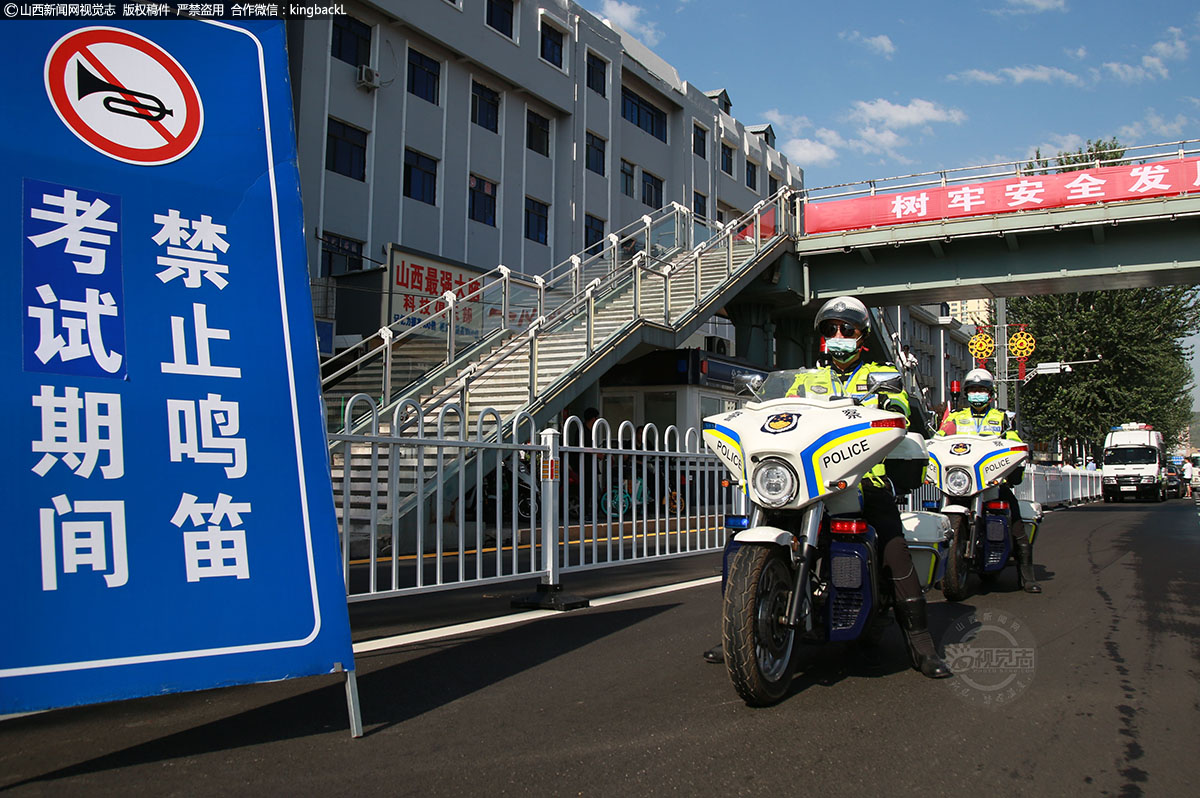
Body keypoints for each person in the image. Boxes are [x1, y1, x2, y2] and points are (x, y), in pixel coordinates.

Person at [702, 296, 951, 679]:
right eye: (830, 330)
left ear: (862, 336)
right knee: (748, 535)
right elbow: (778, 407)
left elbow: (899, 410)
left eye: (846, 330)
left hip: (864, 480)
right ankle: (740, 630)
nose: (838, 336)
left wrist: (887, 400)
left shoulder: (881, 375)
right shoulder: (806, 379)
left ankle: (920, 644)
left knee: (892, 544)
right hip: (808, 481)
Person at [937, 368, 1041, 594]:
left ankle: (1027, 576)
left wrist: (1017, 451)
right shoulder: (955, 418)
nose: (977, 394)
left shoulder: (1002, 418)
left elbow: (1014, 441)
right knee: (936, 515)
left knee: (1015, 520)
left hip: (992, 481)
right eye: (973, 390)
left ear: (990, 394)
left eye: (981, 390)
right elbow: (939, 439)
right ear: (966, 393)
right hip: (960, 480)